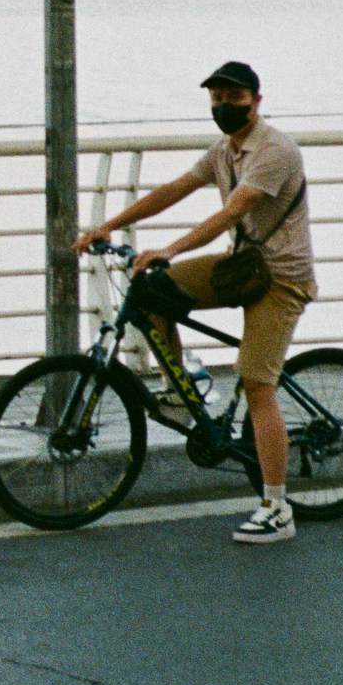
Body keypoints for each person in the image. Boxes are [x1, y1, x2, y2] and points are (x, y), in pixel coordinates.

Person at [74, 60, 317, 546]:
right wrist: (108, 225)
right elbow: (173, 191)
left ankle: (276, 506)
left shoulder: (274, 151)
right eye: (218, 99)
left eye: (235, 98)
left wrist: (169, 249)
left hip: (280, 280)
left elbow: (230, 212)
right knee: (150, 294)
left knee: (256, 384)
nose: (225, 106)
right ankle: (183, 388)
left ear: (257, 100)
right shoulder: (224, 152)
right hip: (240, 268)